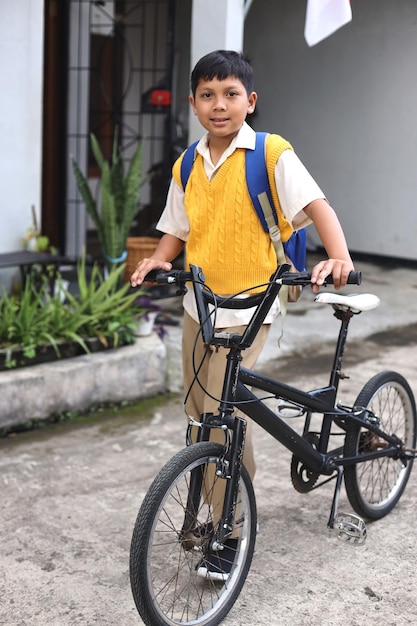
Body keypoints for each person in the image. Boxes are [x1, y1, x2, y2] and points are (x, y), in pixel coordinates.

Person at [130, 49, 354, 579]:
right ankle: (211, 497)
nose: (219, 105)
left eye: (230, 94)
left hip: (250, 306)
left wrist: (338, 255)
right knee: (196, 415)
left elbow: (318, 204)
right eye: (207, 95)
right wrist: (158, 261)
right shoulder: (188, 162)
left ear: (249, 102)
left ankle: (229, 528)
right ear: (193, 103)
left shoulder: (270, 153)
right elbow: (177, 227)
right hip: (199, 305)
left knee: (222, 418)